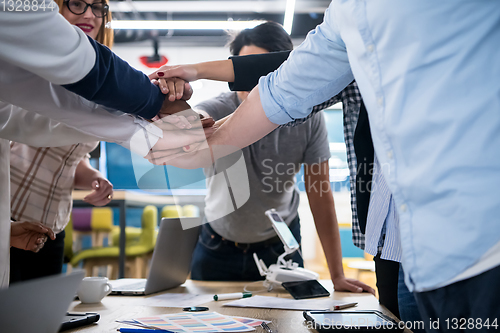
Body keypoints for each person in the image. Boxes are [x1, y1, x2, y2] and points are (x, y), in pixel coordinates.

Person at [150, 1, 500, 326]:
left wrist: (335, 273)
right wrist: (187, 125)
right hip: (225, 242)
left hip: (477, 238)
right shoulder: (345, 16)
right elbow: (285, 83)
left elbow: (318, 190)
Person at [188, 22, 372, 294]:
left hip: (281, 248)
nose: (252, 81)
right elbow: (196, 117)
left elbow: (320, 194)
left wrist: (337, 275)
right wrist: (194, 120)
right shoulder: (219, 107)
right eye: (244, 69)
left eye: (262, 71)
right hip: (217, 246)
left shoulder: (308, 120)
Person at [8, 0, 116, 284]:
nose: (90, 15)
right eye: (78, 4)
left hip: (52, 228)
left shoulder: (98, 80)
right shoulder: (30, 66)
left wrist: (93, 177)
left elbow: (68, 157)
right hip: (10, 220)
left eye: (97, 8)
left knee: (43, 322)